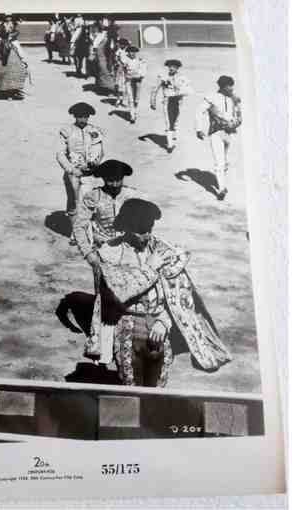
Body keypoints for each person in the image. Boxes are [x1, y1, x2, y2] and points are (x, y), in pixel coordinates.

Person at [83, 199, 232, 387]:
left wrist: (164, 321)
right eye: (139, 230)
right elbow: (118, 294)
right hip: (128, 325)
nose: (145, 235)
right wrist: (150, 268)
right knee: (131, 388)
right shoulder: (109, 252)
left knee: (158, 389)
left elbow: (181, 296)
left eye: (148, 228)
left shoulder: (162, 249)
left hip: (160, 328)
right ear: (126, 226)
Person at [73, 160, 143, 288]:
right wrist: (88, 253)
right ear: (104, 179)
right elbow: (79, 226)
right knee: (107, 291)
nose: (115, 184)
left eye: (118, 180)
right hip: (104, 250)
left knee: (136, 288)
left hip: (130, 249)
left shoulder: (132, 195)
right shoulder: (93, 196)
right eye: (111, 180)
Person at [195, 75, 242, 200]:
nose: (231, 88)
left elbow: (239, 116)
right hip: (216, 132)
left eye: (232, 86)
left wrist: (235, 123)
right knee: (219, 162)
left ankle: (222, 184)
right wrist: (199, 129)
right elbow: (199, 111)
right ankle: (221, 189)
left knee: (226, 162)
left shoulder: (234, 99)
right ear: (222, 86)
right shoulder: (212, 97)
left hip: (230, 133)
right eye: (229, 86)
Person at [55, 102, 104, 218]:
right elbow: (60, 154)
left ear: (88, 116)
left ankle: (86, 227)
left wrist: (94, 163)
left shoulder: (94, 131)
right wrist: (71, 169)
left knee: (89, 202)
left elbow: (99, 151)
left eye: (85, 116)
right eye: (79, 116)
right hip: (73, 172)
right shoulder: (67, 131)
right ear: (75, 116)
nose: (82, 119)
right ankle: (73, 226)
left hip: (90, 173)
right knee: (74, 202)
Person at [149, 59, 193, 153]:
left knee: (176, 120)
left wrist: (183, 92)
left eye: (174, 67)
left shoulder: (182, 78)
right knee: (169, 122)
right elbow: (155, 88)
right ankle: (170, 145)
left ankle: (172, 137)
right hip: (168, 101)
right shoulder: (163, 76)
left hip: (178, 101)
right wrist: (152, 101)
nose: (172, 68)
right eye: (170, 66)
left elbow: (189, 90)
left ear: (177, 68)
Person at [0, 18, 29, 100]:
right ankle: (10, 91)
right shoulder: (6, 26)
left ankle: (3, 90)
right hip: (8, 43)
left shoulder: (2, 25)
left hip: (5, 43)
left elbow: (10, 33)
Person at [120, 46, 146, 123]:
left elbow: (143, 70)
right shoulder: (125, 60)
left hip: (137, 81)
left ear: (136, 53)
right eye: (130, 52)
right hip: (129, 81)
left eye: (133, 52)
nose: (132, 53)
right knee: (130, 98)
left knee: (136, 98)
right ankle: (132, 115)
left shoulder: (140, 60)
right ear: (128, 53)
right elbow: (122, 70)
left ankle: (135, 111)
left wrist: (140, 75)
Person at [113, 38, 129, 106]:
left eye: (123, 44)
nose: (122, 45)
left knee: (126, 85)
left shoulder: (128, 51)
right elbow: (116, 59)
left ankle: (124, 100)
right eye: (121, 44)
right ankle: (118, 99)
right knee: (119, 85)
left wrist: (127, 64)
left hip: (127, 69)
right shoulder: (118, 51)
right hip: (120, 69)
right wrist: (118, 63)